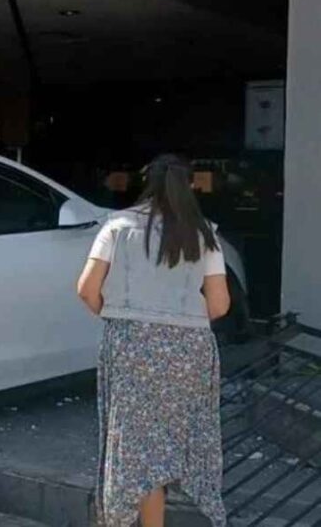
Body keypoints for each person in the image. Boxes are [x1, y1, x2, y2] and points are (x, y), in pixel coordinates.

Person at [76, 154, 231, 527]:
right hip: (189, 351)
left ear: (145, 183)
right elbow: (220, 304)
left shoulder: (116, 227)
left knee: (134, 448)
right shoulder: (204, 233)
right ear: (190, 185)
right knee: (172, 444)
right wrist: (181, 324)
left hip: (131, 345)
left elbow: (86, 289)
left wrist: (121, 319)